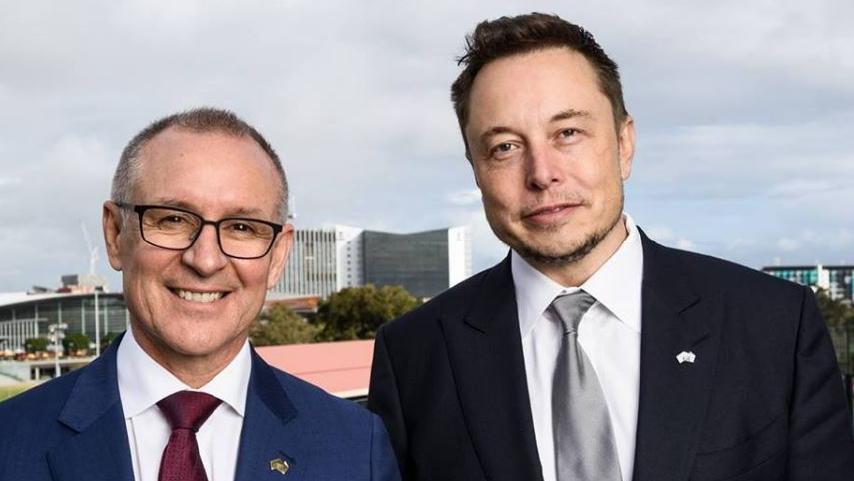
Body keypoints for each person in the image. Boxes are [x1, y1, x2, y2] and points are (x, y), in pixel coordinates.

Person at [368, 13, 854, 481]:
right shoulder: (415, 354)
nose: (542, 173)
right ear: (476, 169)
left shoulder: (774, 325)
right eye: (505, 147)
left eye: (568, 133)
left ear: (624, 144)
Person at [0, 108, 400, 481]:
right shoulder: (10, 442)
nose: (205, 260)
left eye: (242, 227)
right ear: (115, 234)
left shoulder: (355, 448)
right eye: (172, 219)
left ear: (278, 256)